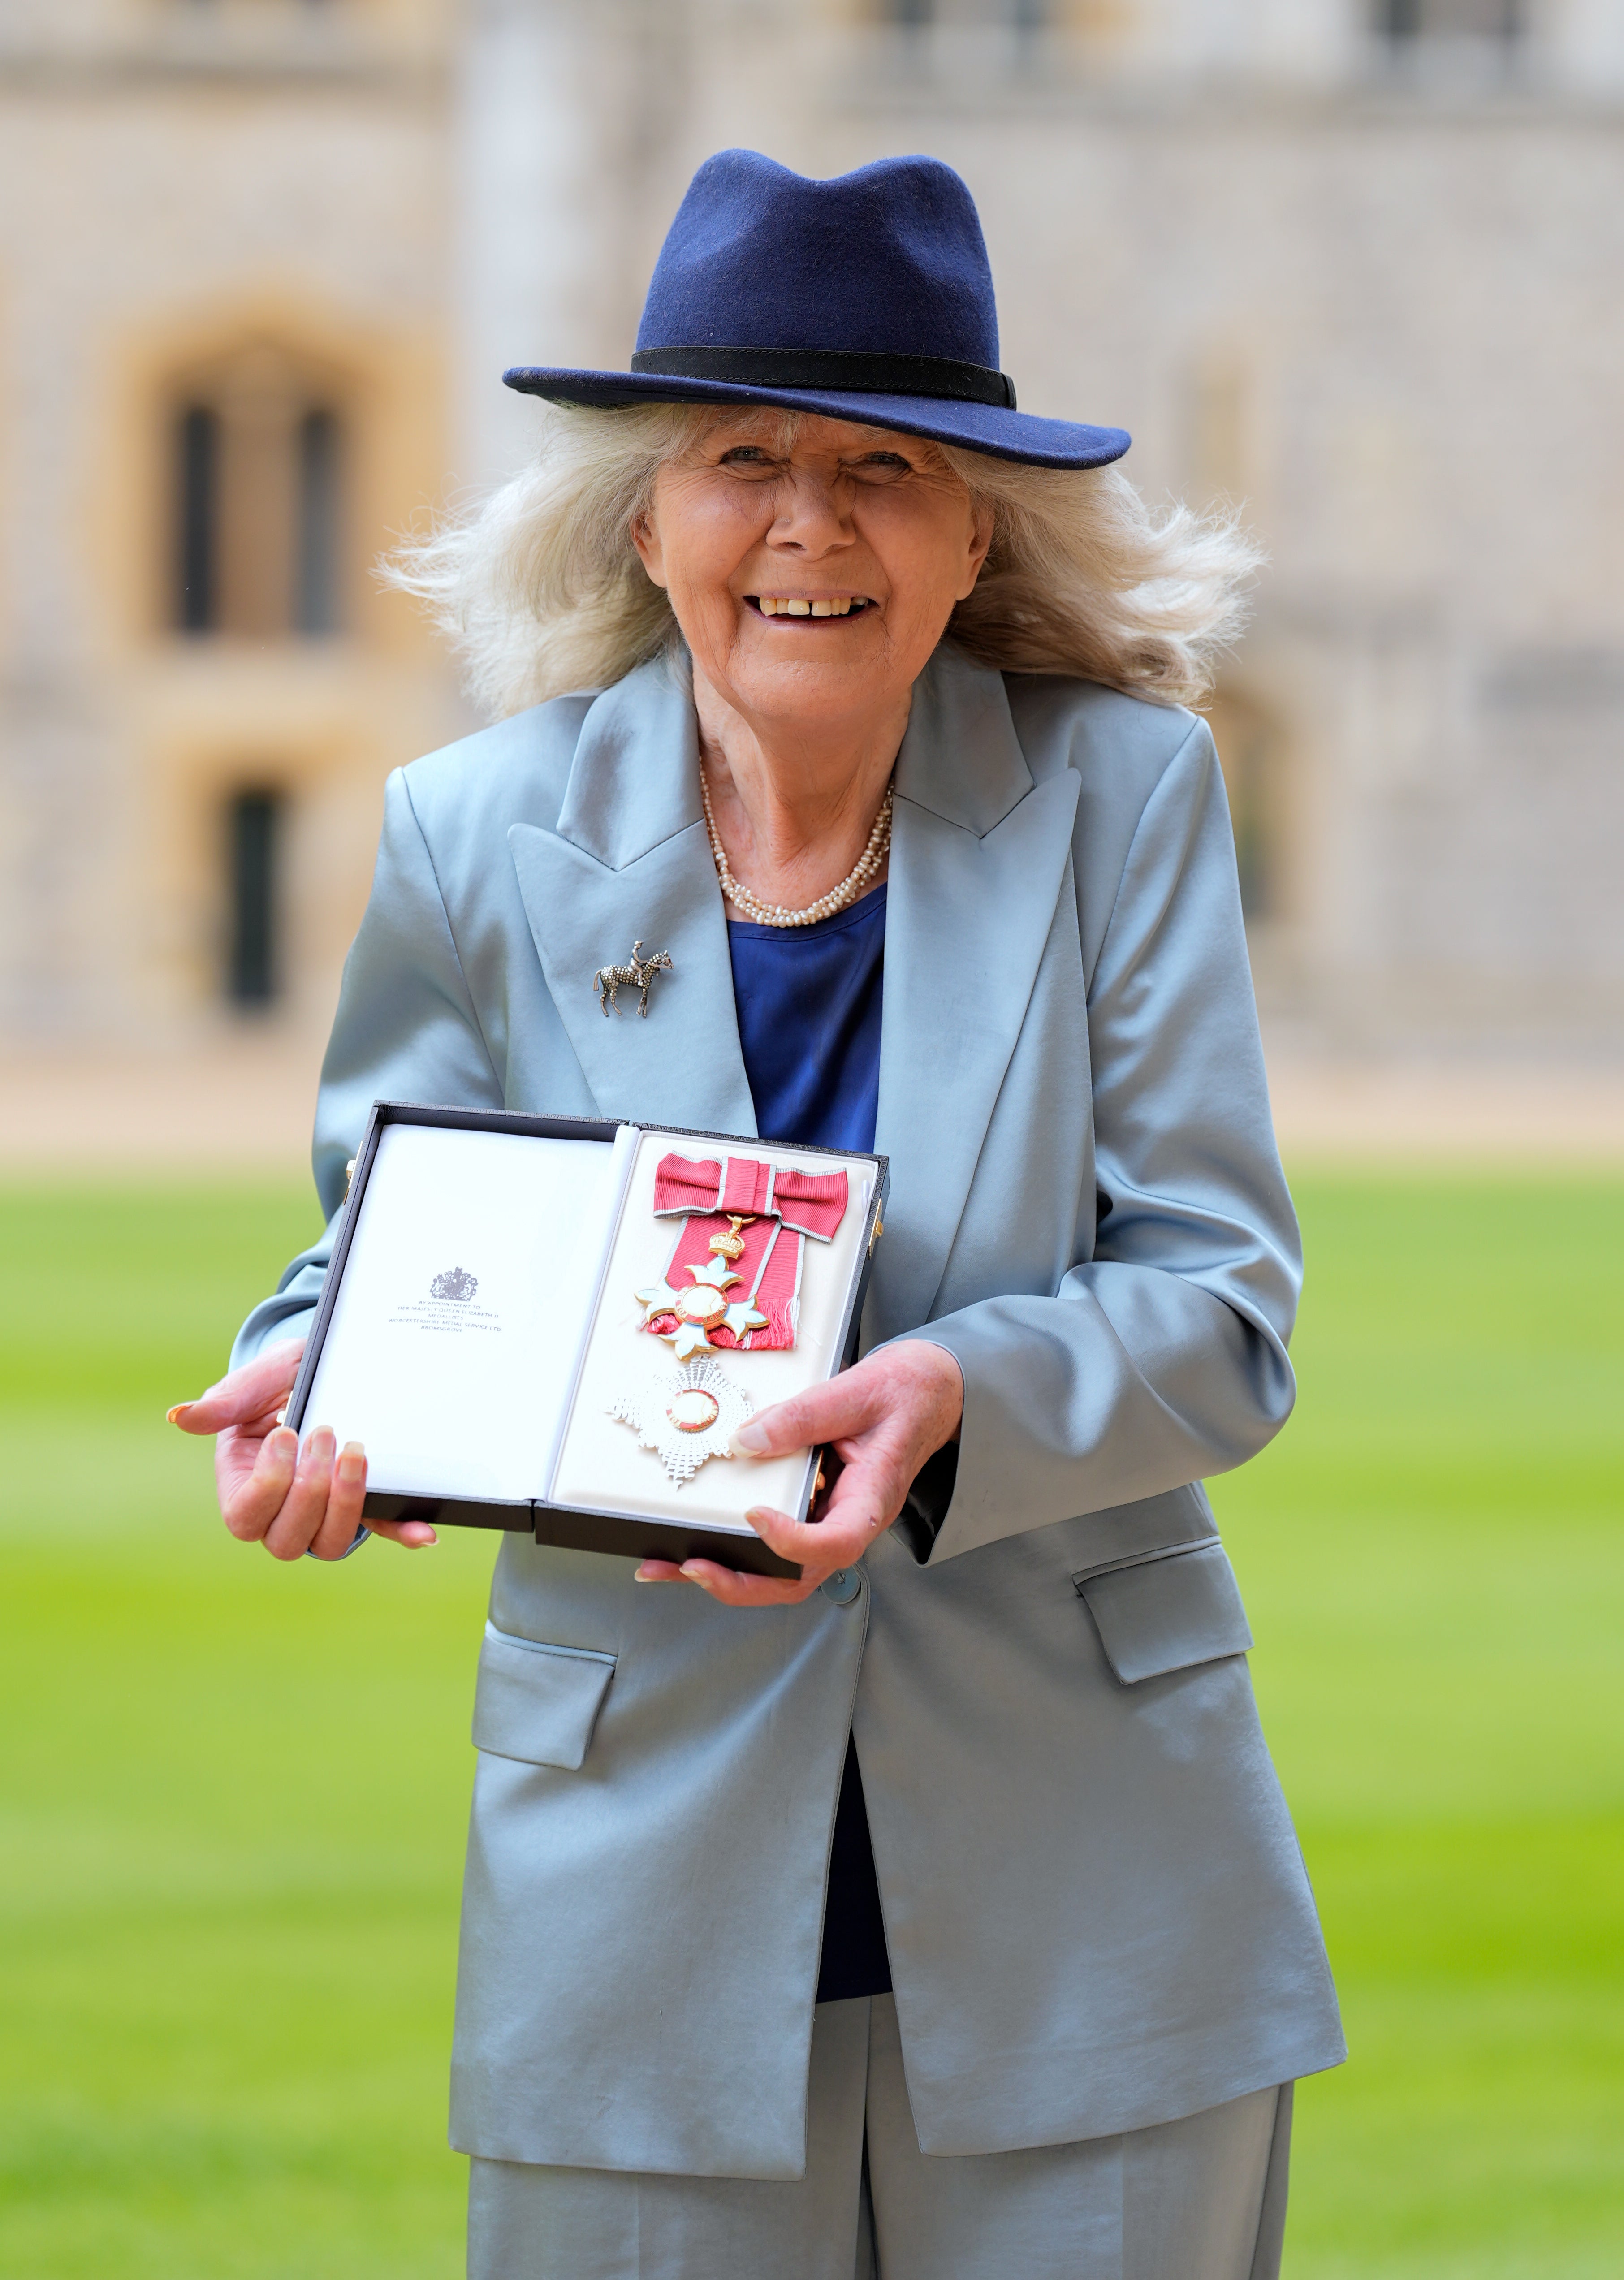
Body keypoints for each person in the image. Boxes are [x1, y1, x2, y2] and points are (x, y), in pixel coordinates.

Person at [171, 151, 1343, 2278]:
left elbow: (1223, 1303)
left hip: (1103, 1889)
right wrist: (315, 1371)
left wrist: (951, 1392)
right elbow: (394, 1230)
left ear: (975, 525)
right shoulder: (471, 834)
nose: (809, 522)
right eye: (743, 459)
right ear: (647, 513)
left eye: (883, 463)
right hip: (633, 1907)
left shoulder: (1126, 794)